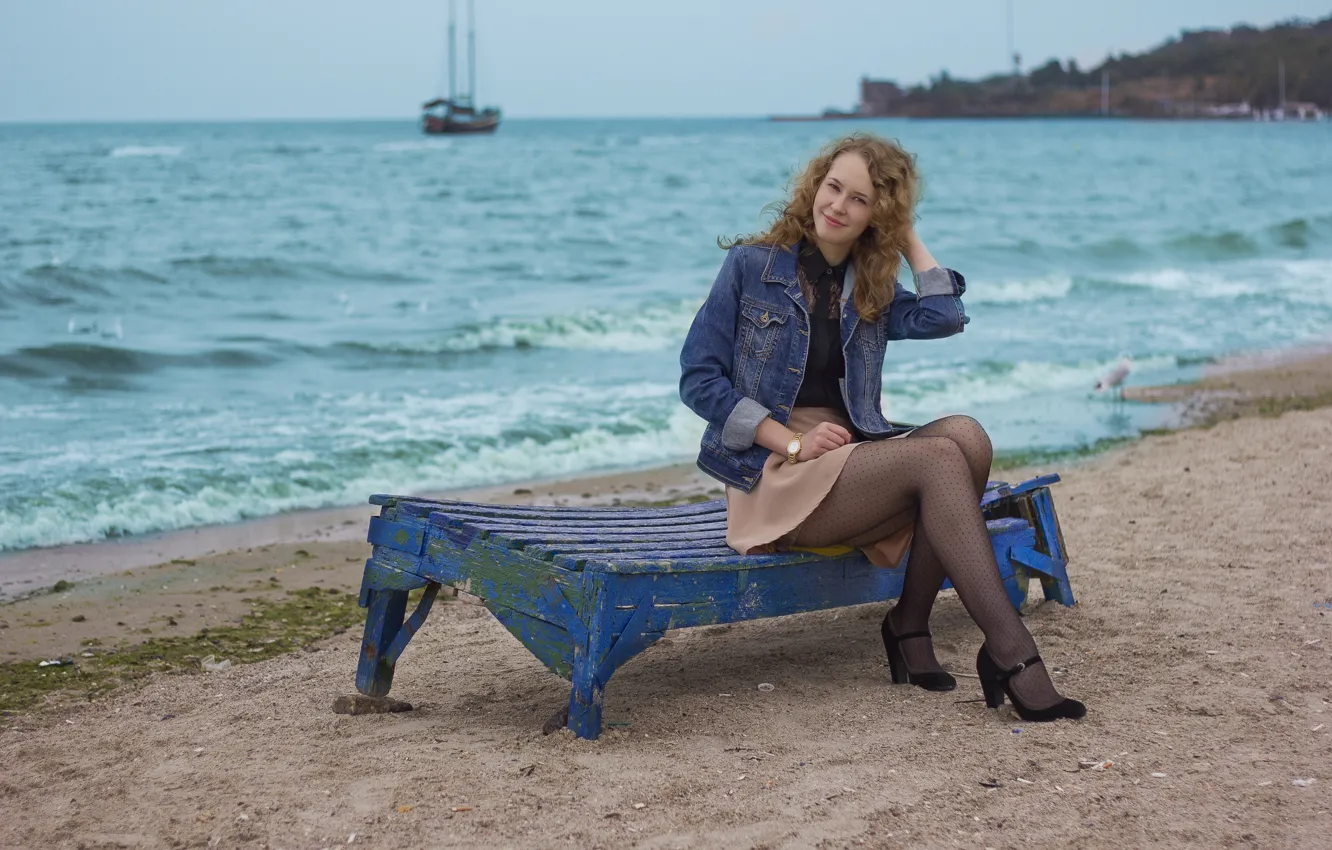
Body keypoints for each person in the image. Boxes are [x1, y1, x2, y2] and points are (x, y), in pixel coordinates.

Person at [678, 133, 1084, 722]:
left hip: (848, 462)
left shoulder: (870, 288)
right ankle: (1012, 652)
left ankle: (909, 624)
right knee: (940, 459)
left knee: (967, 438)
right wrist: (790, 441)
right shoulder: (751, 267)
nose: (837, 205)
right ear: (815, 184)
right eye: (833, 186)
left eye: (860, 200)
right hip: (773, 472)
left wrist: (906, 235)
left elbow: (945, 316)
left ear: (879, 216)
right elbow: (699, 380)